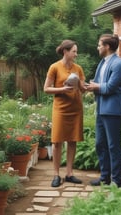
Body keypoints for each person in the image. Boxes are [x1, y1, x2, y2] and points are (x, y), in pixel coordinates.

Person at [86, 34, 121, 187]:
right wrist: (89, 85)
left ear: (107, 46)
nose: (97, 47)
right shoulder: (103, 63)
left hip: (112, 110)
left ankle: (116, 180)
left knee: (113, 145)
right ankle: (104, 177)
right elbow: (99, 83)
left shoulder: (119, 64)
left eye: (99, 45)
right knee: (100, 144)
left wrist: (95, 86)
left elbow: (110, 87)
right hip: (101, 109)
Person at [43, 39, 86, 187]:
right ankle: (56, 175)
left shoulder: (78, 68)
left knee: (72, 141)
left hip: (76, 108)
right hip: (60, 108)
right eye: (74, 51)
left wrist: (82, 85)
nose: (76, 54)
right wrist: (62, 89)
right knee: (57, 141)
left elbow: (82, 89)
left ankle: (69, 173)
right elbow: (46, 89)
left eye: (76, 51)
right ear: (65, 51)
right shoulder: (54, 67)